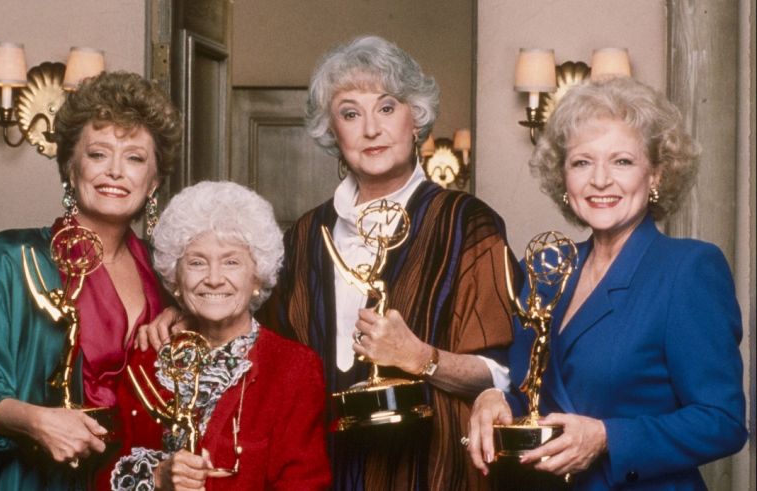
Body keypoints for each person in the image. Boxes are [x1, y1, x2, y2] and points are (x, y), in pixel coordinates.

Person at [139, 35, 517, 490]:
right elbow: (258, 340)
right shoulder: (304, 236)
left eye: (387, 107)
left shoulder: (466, 223)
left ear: (415, 117)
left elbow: (503, 373)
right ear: (332, 131)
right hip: (319, 471)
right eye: (350, 113)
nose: (371, 129)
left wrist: (420, 357)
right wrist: (188, 316)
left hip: (432, 469)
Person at [465, 76, 747, 490]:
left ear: (656, 175)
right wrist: (495, 398)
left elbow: (722, 421)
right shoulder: (544, 269)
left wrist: (607, 438)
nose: (600, 180)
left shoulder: (687, 270)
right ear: (563, 177)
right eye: (582, 162)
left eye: (622, 161)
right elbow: (532, 394)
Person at [0, 70, 182, 490]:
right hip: (33, 477)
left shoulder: (165, 274)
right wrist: (36, 421)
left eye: (135, 158)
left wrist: (186, 318)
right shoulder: (12, 259)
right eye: (98, 154)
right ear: (70, 167)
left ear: (154, 182)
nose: (115, 171)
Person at [111, 181, 330, 490]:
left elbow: (304, 485)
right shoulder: (146, 361)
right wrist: (157, 476)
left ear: (257, 276)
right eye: (197, 262)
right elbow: (104, 473)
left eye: (231, 262)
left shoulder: (294, 369)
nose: (214, 279)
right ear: (175, 278)